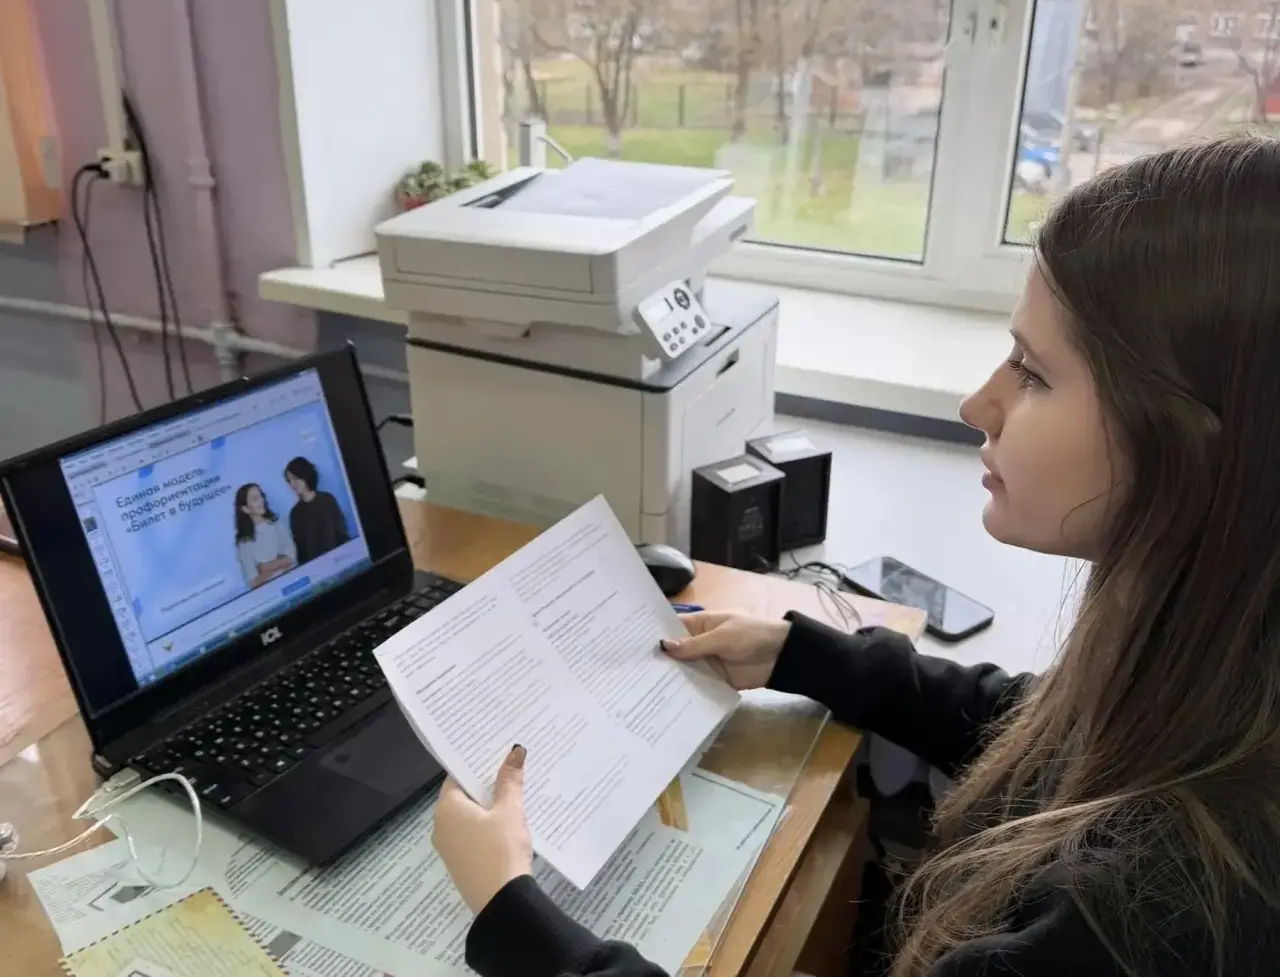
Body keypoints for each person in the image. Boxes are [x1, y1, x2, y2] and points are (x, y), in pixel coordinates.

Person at [431, 137, 1280, 976]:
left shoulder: (1155, 910)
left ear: (1189, 445)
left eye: (1032, 373)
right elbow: (1048, 725)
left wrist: (511, 913)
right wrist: (801, 653)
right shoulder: (1215, 682)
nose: (977, 403)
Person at [283, 456, 348, 565]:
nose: (292, 485)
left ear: (305, 476)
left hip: (339, 560)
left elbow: (342, 533)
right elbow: (301, 551)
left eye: (295, 478)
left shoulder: (328, 500)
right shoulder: (295, 514)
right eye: (289, 481)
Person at [233, 483, 297, 589]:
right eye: (255, 499)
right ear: (245, 508)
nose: (261, 500)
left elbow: (292, 558)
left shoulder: (276, 524)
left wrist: (265, 568)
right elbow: (252, 581)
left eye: (261, 496)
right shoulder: (245, 541)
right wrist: (280, 564)